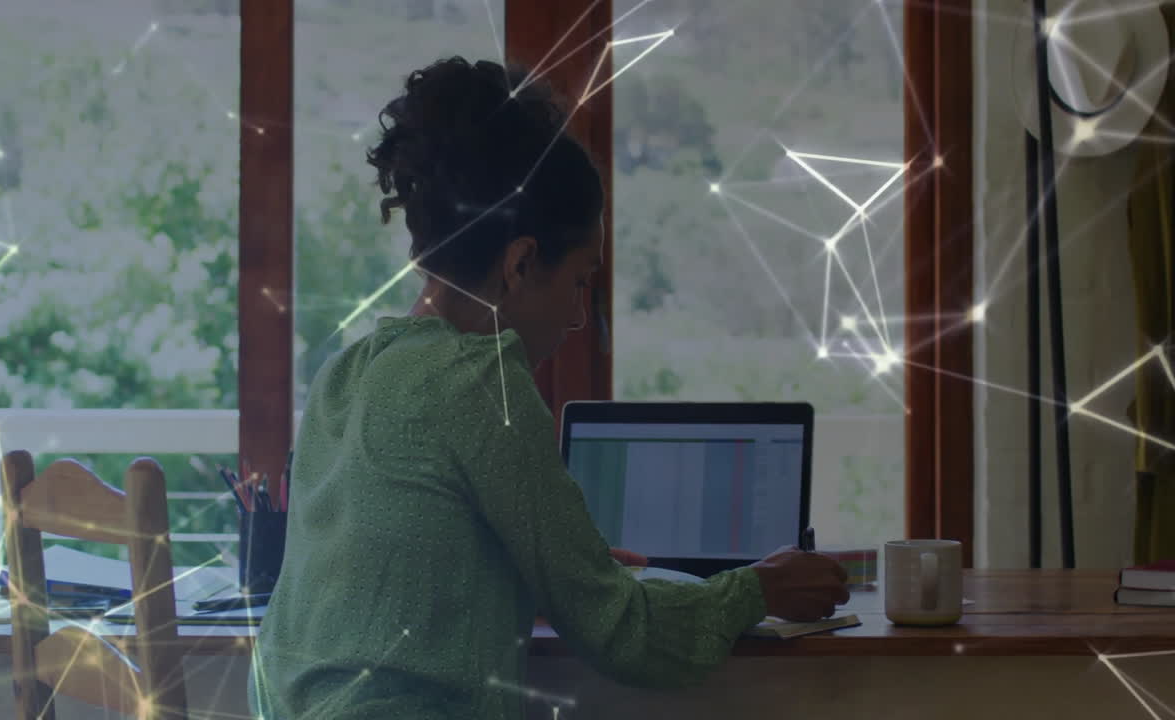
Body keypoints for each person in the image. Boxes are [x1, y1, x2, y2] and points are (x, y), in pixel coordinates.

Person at [249, 56, 849, 720]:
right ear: (522, 263)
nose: (574, 315)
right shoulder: (480, 383)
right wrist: (757, 589)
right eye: (579, 281)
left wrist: (525, 577)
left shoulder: (349, 372)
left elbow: (386, 581)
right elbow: (624, 636)